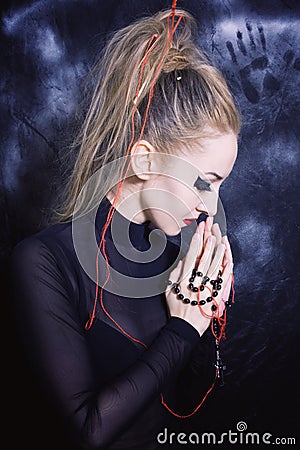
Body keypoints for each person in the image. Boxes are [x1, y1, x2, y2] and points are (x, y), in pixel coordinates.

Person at [10, 7, 241, 450]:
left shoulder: (175, 262)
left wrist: (208, 315)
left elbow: (185, 406)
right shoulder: (43, 263)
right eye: (204, 182)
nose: (211, 205)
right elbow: (86, 432)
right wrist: (183, 329)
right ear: (142, 159)